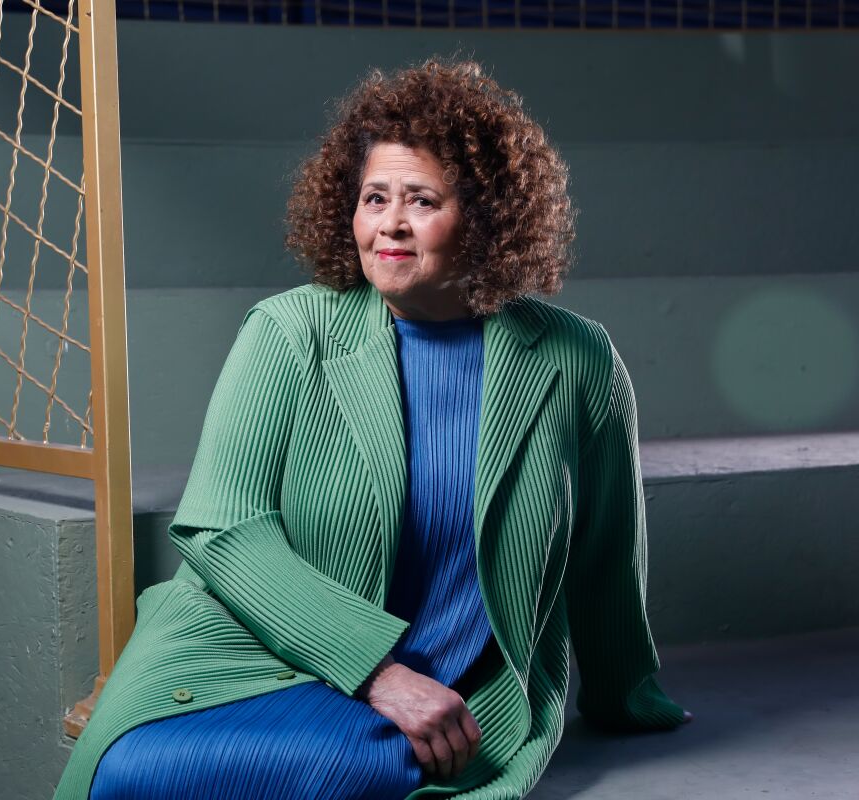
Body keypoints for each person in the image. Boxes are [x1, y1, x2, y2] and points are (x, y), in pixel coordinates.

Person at [51, 59, 691, 800]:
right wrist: (380, 674)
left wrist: (625, 693)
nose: (389, 222)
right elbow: (222, 528)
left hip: (452, 681)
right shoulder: (288, 330)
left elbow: (607, 548)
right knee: (132, 772)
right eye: (373, 197)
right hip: (247, 651)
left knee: (344, 777)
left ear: (485, 220)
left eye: (422, 200)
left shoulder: (576, 357)